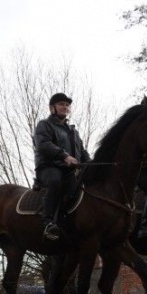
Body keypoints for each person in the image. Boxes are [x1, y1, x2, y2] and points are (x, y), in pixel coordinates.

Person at [33, 93, 91, 241]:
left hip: (69, 171)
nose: (65, 107)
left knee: (81, 189)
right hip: (48, 167)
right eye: (61, 104)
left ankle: (67, 223)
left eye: (67, 105)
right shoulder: (44, 125)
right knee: (55, 182)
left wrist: (91, 164)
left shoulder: (73, 131)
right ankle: (48, 223)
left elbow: (82, 152)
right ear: (53, 108)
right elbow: (43, 144)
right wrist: (63, 156)